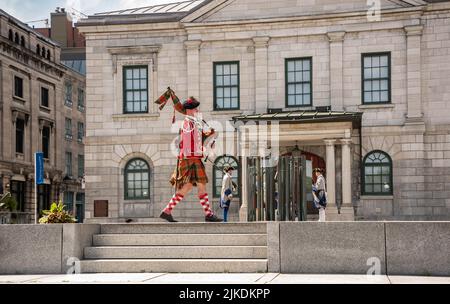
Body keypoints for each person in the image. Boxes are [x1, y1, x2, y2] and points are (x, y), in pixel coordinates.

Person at [155, 88, 223, 223]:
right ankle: (208, 214)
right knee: (200, 184)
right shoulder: (188, 123)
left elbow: (196, 138)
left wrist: (208, 134)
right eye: (196, 109)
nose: (198, 111)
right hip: (190, 158)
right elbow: (187, 143)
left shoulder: (192, 123)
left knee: (187, 187)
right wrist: (203, 150)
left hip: (192, 158)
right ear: (191, 110)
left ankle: (167, 211)